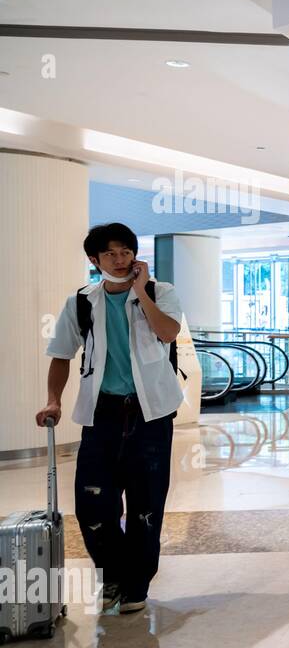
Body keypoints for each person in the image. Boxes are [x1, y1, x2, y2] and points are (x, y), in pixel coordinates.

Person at [35, 223, 184, 614]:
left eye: (126, 252)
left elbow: (168, 333)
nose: (120, 260)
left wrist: (140, 292)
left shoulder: (159, 292)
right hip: (102, 413)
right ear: (94, 260)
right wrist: (54, 400)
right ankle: (114, 574)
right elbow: (61, 354)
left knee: (145, 504)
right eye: (110, 254)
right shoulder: (82, 301)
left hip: (151, 413)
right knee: (92, 504)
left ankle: (135, 585)